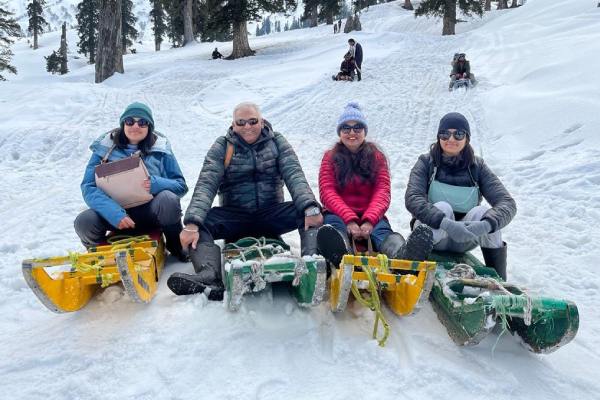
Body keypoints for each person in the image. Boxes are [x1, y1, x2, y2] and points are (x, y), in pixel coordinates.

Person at [167, 102, 323, 299]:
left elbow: (294, 174)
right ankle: (209, 276)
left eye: (252, 121)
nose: (247, 127)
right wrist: (191, 223)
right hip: (235, 217)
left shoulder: (277, 142)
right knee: (201, 223)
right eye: (241, 122)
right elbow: (206, 183)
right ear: (233, 125)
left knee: (310, 211)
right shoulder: (223, 146)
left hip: (270, 214)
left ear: (262, 121)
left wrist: (309, 207)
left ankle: (312, 263)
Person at [317, 102, 434, 268]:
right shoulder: (330, 157)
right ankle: (342, 257)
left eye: (357, 128)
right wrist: (349, 219)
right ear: (340, 132)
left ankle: (403, 255)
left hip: (371, 215)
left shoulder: (377, 157)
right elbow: (327, 192)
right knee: (335, 229)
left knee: (383, 233)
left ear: (364, 131)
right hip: (338, 214)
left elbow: (382, 192)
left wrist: (369, 220)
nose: (352, 132)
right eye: (346, 128)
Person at [405, 112, 517, 279]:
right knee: (444, 207)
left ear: (467, 138)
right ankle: (410, 273)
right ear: (438, 137)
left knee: (484, 213)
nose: (451, 139)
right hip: (433, 235)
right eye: (445, 133)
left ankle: (499, 280)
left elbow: (507, 203)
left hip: (465, 237)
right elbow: (413, 197)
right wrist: (446, 223)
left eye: (458, 134)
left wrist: (485, 225)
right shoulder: (426, 162)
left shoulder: (477, 167)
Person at [74, 102, 189, 260]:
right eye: (130, 121)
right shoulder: (103, 150)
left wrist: (156, 183)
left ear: (149, 126)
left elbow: (180, 186)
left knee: (168, 200)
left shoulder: (161, 150)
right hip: (114, 215)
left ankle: (175, 246)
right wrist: (115, 214)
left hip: (149, 212)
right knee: (84, 222)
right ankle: (99, 256)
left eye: (142, 122)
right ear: (123, 124)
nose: (135, 126)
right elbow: (88, 187)